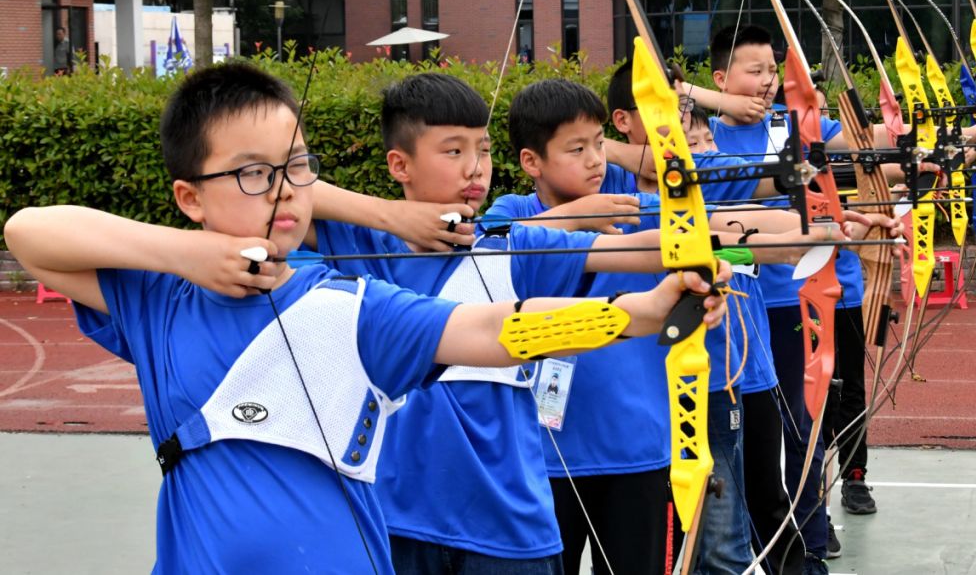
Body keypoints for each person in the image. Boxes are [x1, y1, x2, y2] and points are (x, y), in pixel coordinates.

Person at [3, 62, 730, 574]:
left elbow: (492, 329)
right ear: (191, 197)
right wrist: (188, 256)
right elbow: (30, 231)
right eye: (255, 173)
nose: (286, 190)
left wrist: (637, 313)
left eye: (297, 168)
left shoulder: (348, 304)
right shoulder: (159, 299)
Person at [304, 72, 735, 574]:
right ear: (399, 164)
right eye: (453, 151)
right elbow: (276, 189)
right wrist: (390, 217)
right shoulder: (366, 247)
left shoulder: (513, 246)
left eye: (483, 151)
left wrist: (694, 257)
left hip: (507, 527)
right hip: (395, 521)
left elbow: (633, 247)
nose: (475, 168)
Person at [486, 77, 864, 575]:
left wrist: (824, 229)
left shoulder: (634, 213)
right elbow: (485, 243)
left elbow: (722, 226)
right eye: (576, 149)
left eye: (599, 144)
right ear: (531, 162)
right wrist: (576, 217)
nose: (596, 159)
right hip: (542, 458)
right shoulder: (514, 214)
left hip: (640, 453)